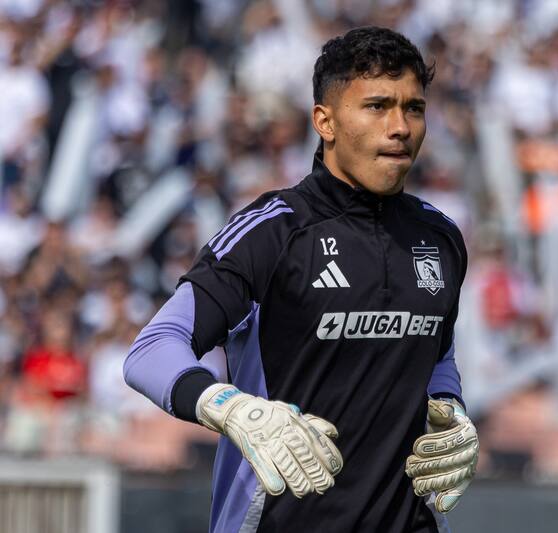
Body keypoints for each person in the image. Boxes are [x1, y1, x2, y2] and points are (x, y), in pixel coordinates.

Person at [124, 26, 478, 533]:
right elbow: (151, 349)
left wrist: (450, 407)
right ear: (325, 121)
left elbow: (437, 351)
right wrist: (229, 407)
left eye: (413, 108)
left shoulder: (440, 238)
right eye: (377, 106)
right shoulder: (274, 231)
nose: (400, 126)